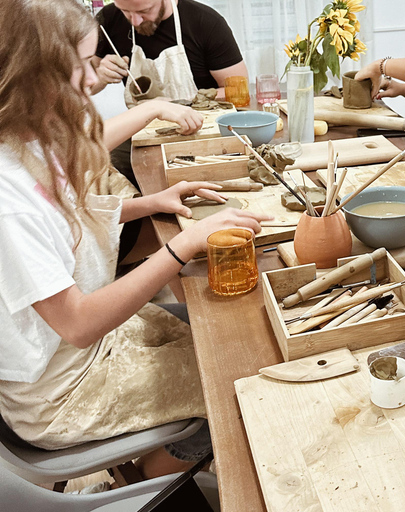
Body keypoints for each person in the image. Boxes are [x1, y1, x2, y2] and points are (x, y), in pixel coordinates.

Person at [0, 0, 268, 479]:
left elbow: (62, 213)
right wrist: (182, 246)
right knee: (239, 379)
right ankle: (145, 481)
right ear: (38, 70)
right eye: (84, 64)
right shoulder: (8, 195)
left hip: (82, 349)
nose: (92, 80)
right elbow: (79, 324)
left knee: (222, 333)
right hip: (60, 391)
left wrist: (152, 203)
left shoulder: (28, 139)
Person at [93, 0, 248, 103]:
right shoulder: (108, 20)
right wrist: (100, 76)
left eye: (144, 11)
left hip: (203, 124)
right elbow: (84, 88)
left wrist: (191, 102)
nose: (135, 21)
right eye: (125, 11)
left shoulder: (205, 22)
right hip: (143, 129)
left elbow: (238, 90)